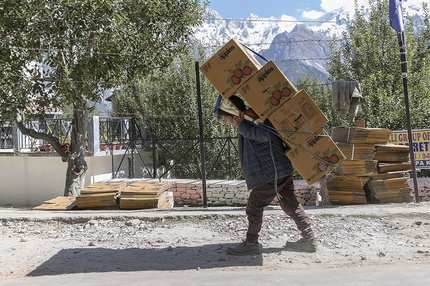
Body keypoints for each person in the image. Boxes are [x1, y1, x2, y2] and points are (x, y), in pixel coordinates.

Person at [215, 95, 317, 255]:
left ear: (233, 113)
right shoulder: (250, 119)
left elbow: (265, 135)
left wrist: (242, 127)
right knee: (290, 204)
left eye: (226, 118)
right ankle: (309, 239)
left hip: (271, 173)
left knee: (254, 206)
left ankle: (251, 243)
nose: (228, 122)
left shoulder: (252, 118)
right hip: (281, 170)